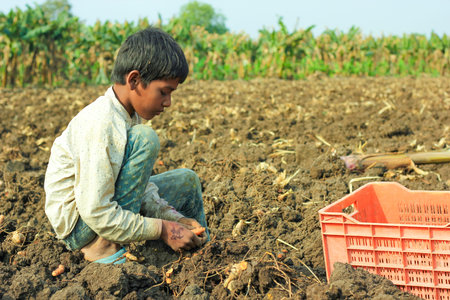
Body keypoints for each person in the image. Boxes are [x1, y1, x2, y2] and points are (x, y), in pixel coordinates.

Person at [44, 27, 209, 264]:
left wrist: (173, 219)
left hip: (100, 210)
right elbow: (95, 210)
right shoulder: (102, 122)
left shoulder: (128, 115)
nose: (168, 102)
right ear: (134, 80)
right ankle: (102, 247)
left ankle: (202, 254)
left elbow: (137, 184)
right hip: (81, 227)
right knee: (145, 138)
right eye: (164, 92)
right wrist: (162, 229)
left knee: (187, 180)